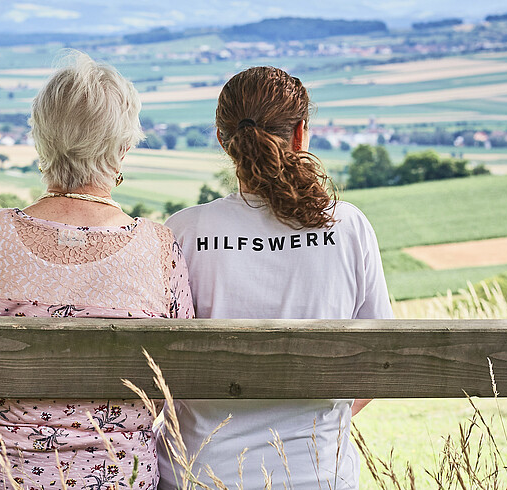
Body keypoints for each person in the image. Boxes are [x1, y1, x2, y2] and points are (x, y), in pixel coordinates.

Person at [0, 50, 193, 489]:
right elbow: (176, 371)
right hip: (115, 478)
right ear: (124, 148)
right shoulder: (159, 250)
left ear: (41, 140)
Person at [158, 66, 393, 489]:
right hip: (318, 475)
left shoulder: (183, 231)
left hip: (199, 474)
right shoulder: (348, 226)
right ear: (301, 133)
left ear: (222, 140)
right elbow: (380, 365)